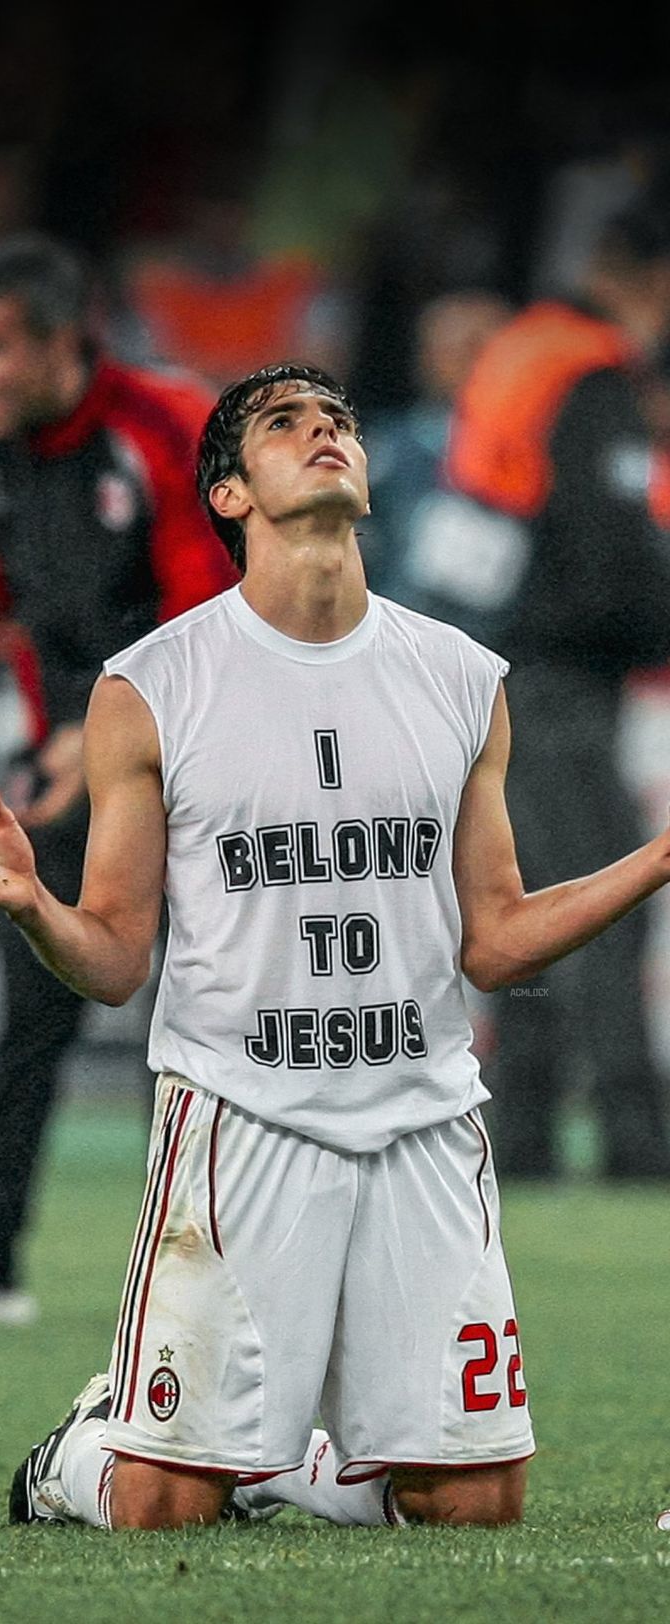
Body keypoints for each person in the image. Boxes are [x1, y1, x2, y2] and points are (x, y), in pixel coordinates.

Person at [0, 360, 670, 1536]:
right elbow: (119, 959)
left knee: (476, 1505)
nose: (323, 433)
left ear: (369, 481)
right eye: (284, 423)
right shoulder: (154, 685)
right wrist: (37, 907)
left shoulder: (459, 676)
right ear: (227, 494)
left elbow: (495, 942)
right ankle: (83, 1452)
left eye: (337, 419)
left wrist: (655, 858)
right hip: (241, 1118)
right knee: (159, 1508)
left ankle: (278, 1467)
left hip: (423, 1122)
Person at [0, 231, 237, 1323]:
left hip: (210, 755)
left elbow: (203, 617)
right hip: (66, 759)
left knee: (217, 1018)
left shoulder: (166, 428)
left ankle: (231, 1282)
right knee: (30, 1009)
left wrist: (96, 739)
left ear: (66, 341)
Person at [400, 192, 670, 1180]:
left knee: (528, 907)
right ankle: (639, 1145)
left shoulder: (521, 351)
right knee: (600, 900)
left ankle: (520, 1139)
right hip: (555, 673)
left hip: (487, 662)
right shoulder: (592, 372)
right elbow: (606, 551)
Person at [360, 288, 512, 603]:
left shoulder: (543, 455)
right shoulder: (385, 450)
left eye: (481, 349)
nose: (468, 363)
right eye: (452, 349)